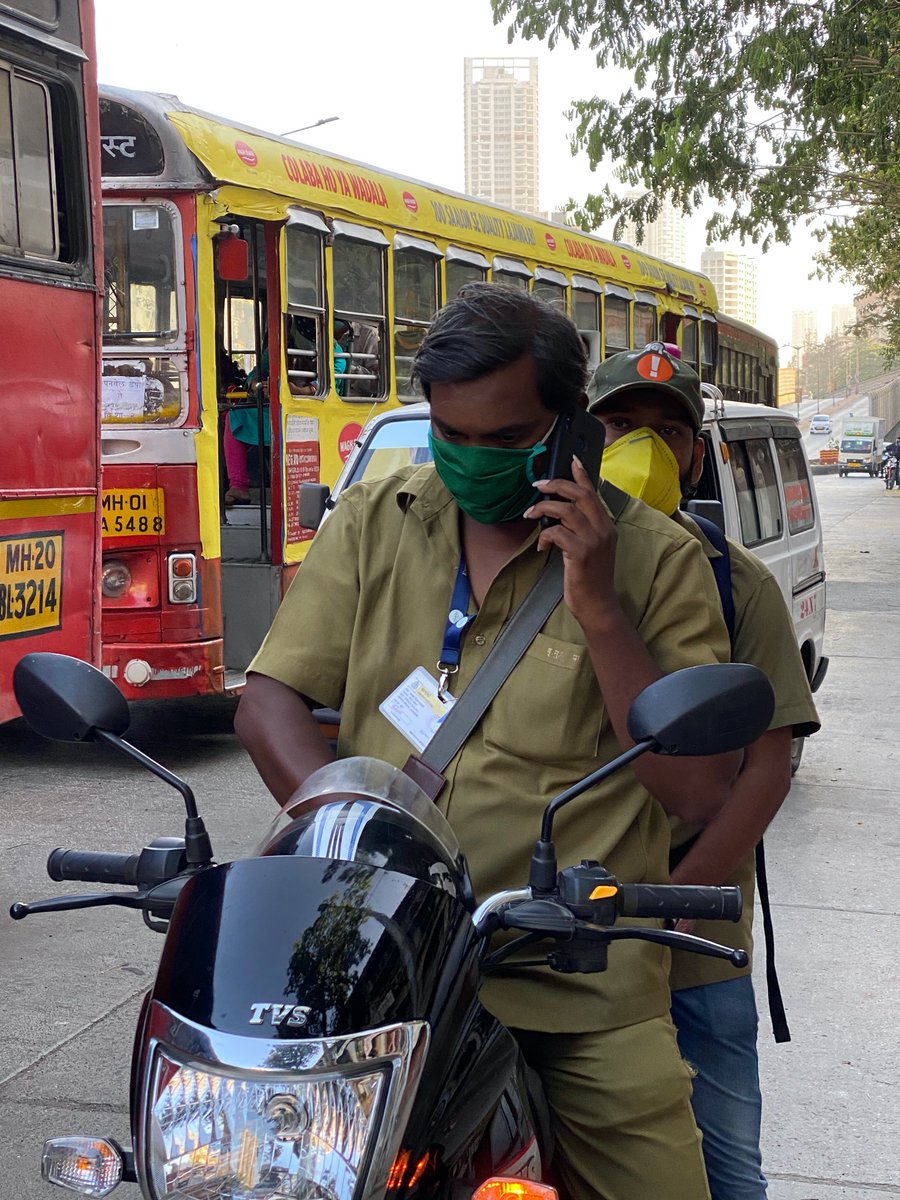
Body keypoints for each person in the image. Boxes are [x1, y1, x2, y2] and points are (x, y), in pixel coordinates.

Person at [235, 284, 743, 1200]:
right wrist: (346, 852)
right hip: (383, 968)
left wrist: (597, 604)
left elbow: (700, 790)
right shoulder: (376, 519)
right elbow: (268, 701)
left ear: (569, 430)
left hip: (574, 985)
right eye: (450, 435)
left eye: (505, 441)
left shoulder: (660, 562)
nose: (472, 460)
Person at [587, 343, 821, 1200]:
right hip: (559, 930)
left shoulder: (737, 582)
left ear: (695, 454)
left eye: (667, 431)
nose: (643, 447)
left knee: (726, 1165)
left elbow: (768, 766)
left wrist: (676, 899)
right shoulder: (538, 565)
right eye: (619, 425)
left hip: (692, 934)